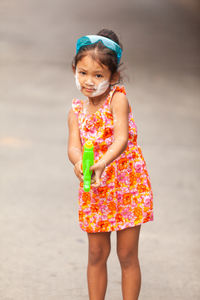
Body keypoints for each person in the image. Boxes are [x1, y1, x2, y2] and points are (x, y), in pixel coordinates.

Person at [67, 28, 153, 300]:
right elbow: (73, 146)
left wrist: (103, 162)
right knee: (96, 253)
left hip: (127, 185)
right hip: (96, 188)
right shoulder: (76, 111)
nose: (89, 81)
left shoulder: (118, 99)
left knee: (127, 254)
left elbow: (122, 139)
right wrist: (79, 162)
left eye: (98, 75)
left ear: (113, 76)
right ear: (74, 70)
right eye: (83, 73)